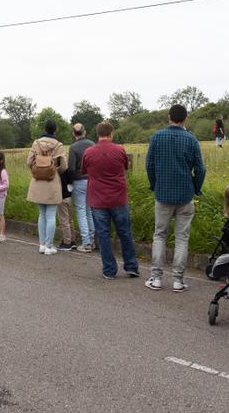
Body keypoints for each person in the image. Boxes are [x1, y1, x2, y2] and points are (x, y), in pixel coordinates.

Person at [144, 104, 206, 291]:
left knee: (159, 235)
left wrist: (154, 184)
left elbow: (149, 165)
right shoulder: (191, 139)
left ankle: (156, 278)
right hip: (185, 194)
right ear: (185, 119)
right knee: (181, 238)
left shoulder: (157, 137)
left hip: (163, 193)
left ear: (169, 117)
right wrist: (196, 187)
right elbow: (200, 169)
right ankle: (178, 280)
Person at [83, 121, 139, 279]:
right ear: (111, 133)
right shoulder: (119, 149)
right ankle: (131, 266)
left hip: (98, 198)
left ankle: (109, 270)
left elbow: (85, 170)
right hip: (118, 197)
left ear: (97, 134)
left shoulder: (88, 152)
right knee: (125, 232)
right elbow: (125, 167)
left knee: (103, 234)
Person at [26, 119, 66, 254]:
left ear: (45, 129)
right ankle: (49, 246)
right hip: (52, 182)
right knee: (50, 215)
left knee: (41, 214)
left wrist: (37, 170)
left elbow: (28, 162)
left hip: (38, 181)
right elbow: (64, 166)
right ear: (55, 129)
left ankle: (42, 245)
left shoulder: (36, 143)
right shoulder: (58, 145)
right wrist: (55, 170)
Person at [68, 123, 96, 253]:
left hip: (79, 181)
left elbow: (71, 169)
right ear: (85, 132)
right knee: (90, 211)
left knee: (81, 211)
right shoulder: (93, 144)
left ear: (73, 134)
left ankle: (86, 243)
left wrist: (70, 182)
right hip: (92, 180)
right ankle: (92, 240)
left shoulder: (73, 147)